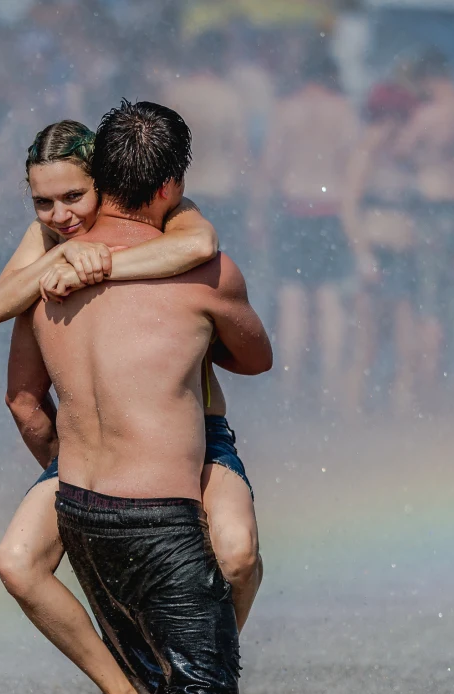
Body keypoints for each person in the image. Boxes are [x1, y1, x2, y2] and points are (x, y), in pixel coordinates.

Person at [27, 101, 272, 694]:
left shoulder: (51, 270)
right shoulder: (204, 269)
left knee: (136, 677)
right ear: (172, 186)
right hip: (156, 516)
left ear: (98, 180)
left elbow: (22, 402)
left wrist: (62, 471)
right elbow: (256, 358)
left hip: (78, 503)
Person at [250, 41, 359, 406]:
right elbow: (352, 170)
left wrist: (258, 215)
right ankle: (329, 384)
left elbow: (269, 167)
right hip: (330, 210)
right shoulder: (343, 111)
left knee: (292, 299)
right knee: (329, 299)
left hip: (294, 208)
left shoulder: (286, 110)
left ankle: (290, 386)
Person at [397, 50, 454, 396]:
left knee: (430, 299)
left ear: (431, 79)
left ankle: (429, 387)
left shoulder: (427, 115)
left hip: (434, 210)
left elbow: (403, 151)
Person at [341, 80, 419, 417]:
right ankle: (353, 408)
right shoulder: (367, 150)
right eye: (395, 118)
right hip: (376, 252)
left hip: (402, 254)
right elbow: (348, 205)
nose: (399, 126)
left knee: (405, 342)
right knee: (367, 343)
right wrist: (363, 256)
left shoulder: (403, 154)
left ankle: (401, 405)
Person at [161, 30, 252, 263]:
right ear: (220, 57)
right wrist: (250, 203)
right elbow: (240, 153)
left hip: (182, 194)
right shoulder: (229, 97)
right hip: (221, 190)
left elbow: (159, 149)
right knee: (223, 267)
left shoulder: (174, 94)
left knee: (184, 269)